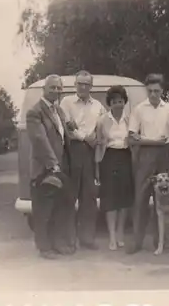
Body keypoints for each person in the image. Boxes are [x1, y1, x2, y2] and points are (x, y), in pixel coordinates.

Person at [26, 74, 76, 259]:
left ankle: (57, 244)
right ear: (44, 89)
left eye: (58, 88)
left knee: (59, 208)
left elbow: (64, 137)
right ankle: (44, 248)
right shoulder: (35, 112)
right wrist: (52, 164)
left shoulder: (60, 112)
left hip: (61, 167)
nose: (56, 91)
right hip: (44, 168)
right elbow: (40, 140)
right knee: (43, 209)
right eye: (52, 87)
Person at [126, 73, 169, 255]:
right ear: (146, 90)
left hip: (163, 156)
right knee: (140, 198)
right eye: (150, 91)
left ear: (162, 90)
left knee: (162, 198)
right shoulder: (139, 109)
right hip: (145, 157)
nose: (153, 94)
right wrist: (152, 142)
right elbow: (132, 138)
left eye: (157, 91)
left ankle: (160, 241)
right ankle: (137, 241)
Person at [60, 70, 106, 250]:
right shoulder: (66, 102)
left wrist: (96, 139)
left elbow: (101, 127)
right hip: (72, 150)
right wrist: (85, 137)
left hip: (91, 153)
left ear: (91, 86)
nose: (83, 87)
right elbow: (67, 127)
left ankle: (87, 238)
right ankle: (69, 239)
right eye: (80, 83)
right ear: (75, 85)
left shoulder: (98, 106)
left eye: (87, 84)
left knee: (89, 196)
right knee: (69, 196)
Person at [95, 86, 134, 251]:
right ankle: (111, 235)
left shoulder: (130, 119)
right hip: (108, 158)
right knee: (110, 197)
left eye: (120, 101)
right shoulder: (102, 120)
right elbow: (98, 144)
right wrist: (97, 166)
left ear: (124, 102)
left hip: (126, 157)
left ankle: (120, 233)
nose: (118, 104)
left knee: (124, 197)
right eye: (114, 102)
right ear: (109, 104)